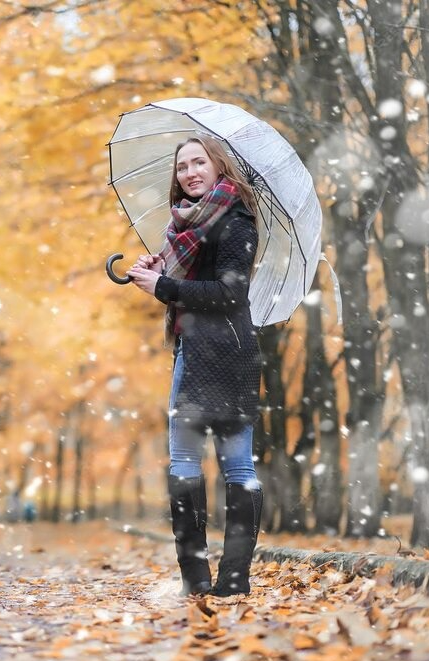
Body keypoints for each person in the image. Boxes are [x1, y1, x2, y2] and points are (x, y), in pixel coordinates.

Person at [126, 136, 263, 597]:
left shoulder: (236, 218)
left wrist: (163, 285)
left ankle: (233, 578)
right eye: (182, 166)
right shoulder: (185, 229)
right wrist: (159, 268)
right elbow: (193, 278)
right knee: (185, 463)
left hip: (229, 356)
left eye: (198, 162)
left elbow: (230, 294)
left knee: (236, 467)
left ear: (217, 164)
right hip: (194, 352)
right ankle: (197, 578)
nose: (190, 172)